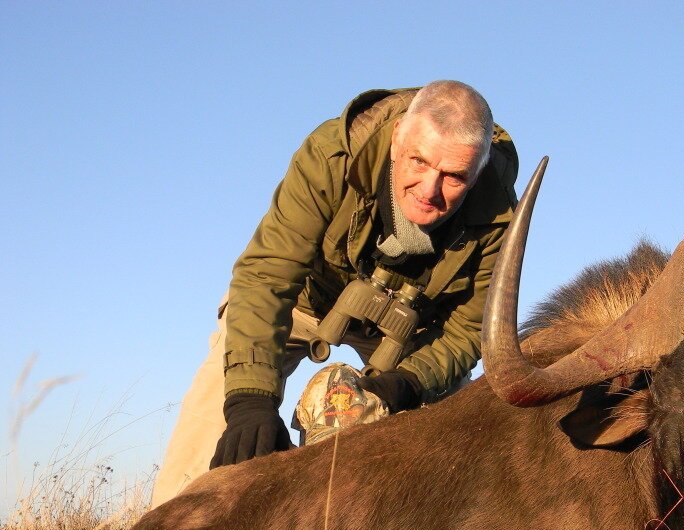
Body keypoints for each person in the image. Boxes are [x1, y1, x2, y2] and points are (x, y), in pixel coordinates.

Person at [152, 81, 518, 507]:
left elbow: (469, 329)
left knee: (458, 447)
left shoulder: (499, 213)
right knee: (213, 415)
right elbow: (266, 275)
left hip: (406, 332)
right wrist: (251, 401)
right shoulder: (332, 154)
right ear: (398, 137)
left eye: (454, 177)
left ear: (478, 173)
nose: (429, 190)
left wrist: (407, 385)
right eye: (418, 161)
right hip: (302, 303)